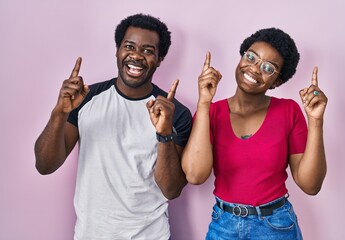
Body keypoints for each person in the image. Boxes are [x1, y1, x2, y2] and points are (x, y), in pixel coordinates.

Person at [34, 13, 192, 240]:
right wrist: (60, 112)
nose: (136, 56)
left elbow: (172, 190)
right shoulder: (85, 99)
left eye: (148, 51)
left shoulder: (175, 113)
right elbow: (45, 165)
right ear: (117, 50)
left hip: (150, 235)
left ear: (159, 59)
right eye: (129, 46)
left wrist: (164, 133)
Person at [181, 28, 327, 239]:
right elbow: (195, 175)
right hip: (224, 225)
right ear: (241, 57)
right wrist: (204, 102)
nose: (255, 69)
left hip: (276, 226)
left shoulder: (288, 111)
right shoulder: (212, 112)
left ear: (277, 81)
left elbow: (310, 185)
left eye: (268, 67)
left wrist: (316, 121)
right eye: (251, 57)